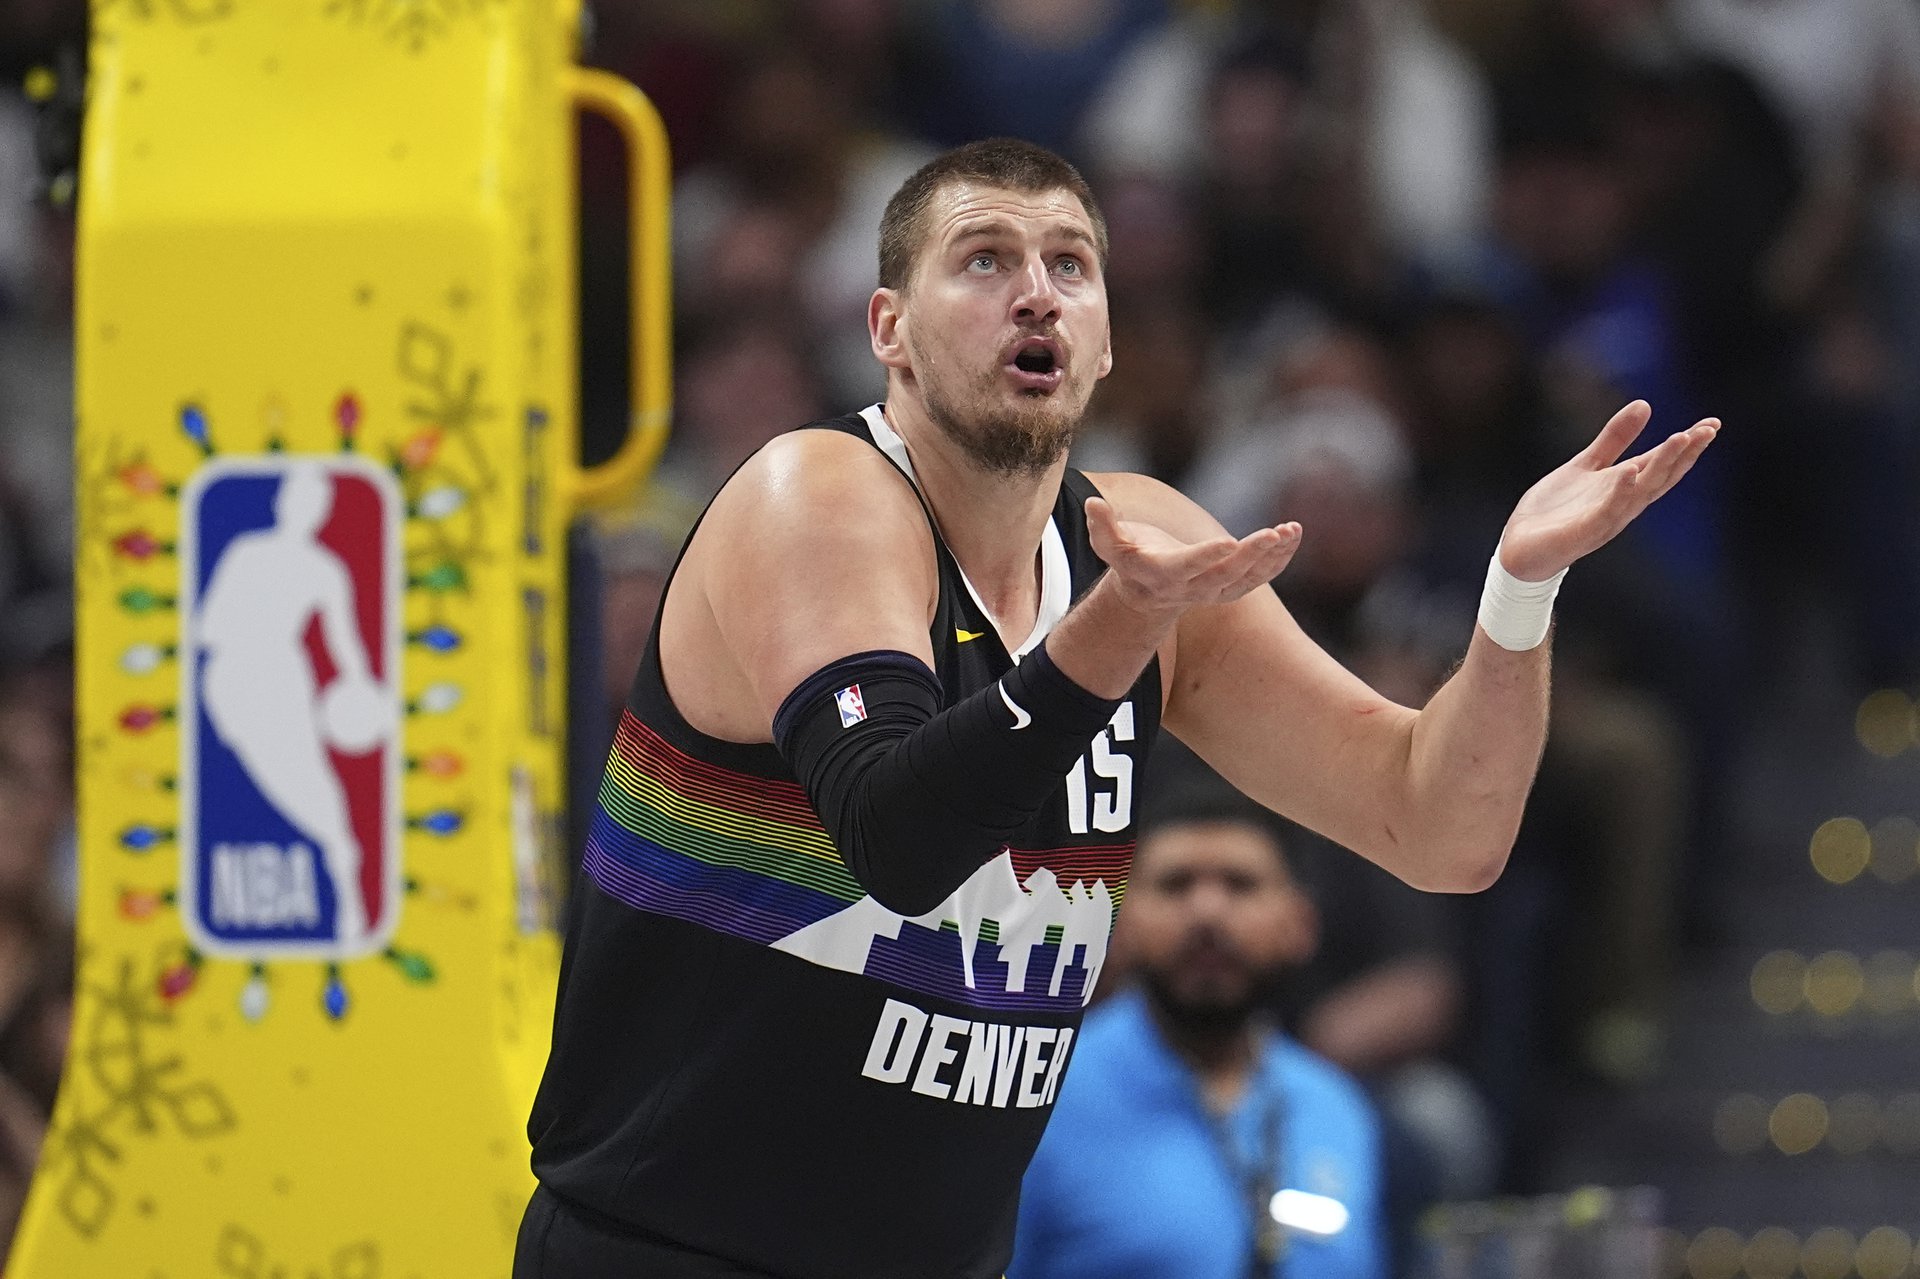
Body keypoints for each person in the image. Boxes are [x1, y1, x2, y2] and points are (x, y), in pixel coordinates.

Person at [517, 137, 1717, 1279]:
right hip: (667, 1253)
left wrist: (1519, 594)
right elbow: (899, 835)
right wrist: (1115, 627)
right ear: (890, 329)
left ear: (1100, 345)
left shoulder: (1143, 547)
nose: (1035, 292)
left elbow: (1441, 829)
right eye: (984, 259)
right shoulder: (817, 496)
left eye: (1069, 265)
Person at [1008, 790, 1387, 1279]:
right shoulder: (1040, 1096)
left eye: (1240, 884)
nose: (1207, 912)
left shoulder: (1335, 1106)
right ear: (1117, 919)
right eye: (1175, 884)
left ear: (1300, 923)